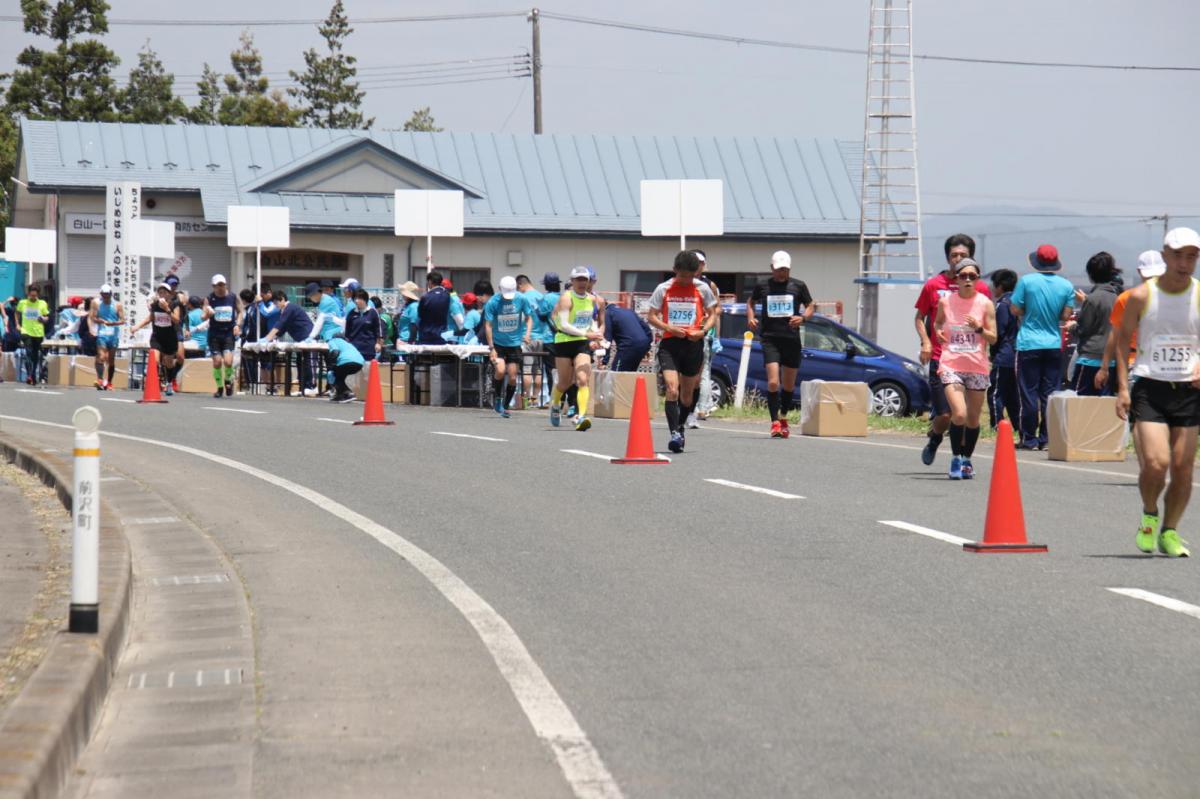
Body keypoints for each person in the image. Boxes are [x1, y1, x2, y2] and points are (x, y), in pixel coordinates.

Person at [1114, 227, 1200, 559]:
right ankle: (1150, 514)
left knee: (1182, 468)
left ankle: (1170, 530)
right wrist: (1123, 388)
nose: (1184, 263)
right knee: (1156, 462)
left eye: (1191, 256)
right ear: (1165, 255)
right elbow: (1122, 339)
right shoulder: (1141, 296)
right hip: (1150, 387)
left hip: (1189, 391)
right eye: (1178, 255)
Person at [915, 235, 993, 463]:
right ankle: (935, 437)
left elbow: (988, 323)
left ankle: (961, 460)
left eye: (963, 255)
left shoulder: (981, 289)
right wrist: (926, 341)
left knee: (966, 416)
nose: (957, 258)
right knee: (946, 414)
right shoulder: (934, 285)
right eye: (954, 255)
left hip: (972, 361)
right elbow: (920, 317)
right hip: (942, 358)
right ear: (947, 257)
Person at [647, 250, 719, 452]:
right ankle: (674, 434)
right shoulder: (664, 288)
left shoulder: (702, 288)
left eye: (691, 276)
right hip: (670, 344)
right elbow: (651, 316)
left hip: (693, 344)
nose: (686, 280)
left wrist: (702, 331)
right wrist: (668, 328)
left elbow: (713, 314)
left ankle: (680, 427)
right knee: (672, 389)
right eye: (683, 276)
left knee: (687, 395)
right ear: (674, 270)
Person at [934, 258, 997, 479]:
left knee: (972, 419)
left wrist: (978, 328)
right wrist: (938, 332)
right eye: (963, 276)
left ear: (978, 279)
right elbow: (937, 322)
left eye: (973, 276)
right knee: (959, 414)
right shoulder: (946, 302)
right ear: (957, 279)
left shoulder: (985, 304)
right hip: (951, 364)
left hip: (977, 366)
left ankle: (967, 459)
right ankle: (955, 458)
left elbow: (993, 337)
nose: (968, 280)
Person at [1011, 243, 1076, 449]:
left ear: (1036, 262)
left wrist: (1029, 311)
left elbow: (1015, 309)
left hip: (1029, 343)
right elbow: (1065, 315)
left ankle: (1029, 438)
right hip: (1053, 344)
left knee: (1028, 392)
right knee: (1050, 393)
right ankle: (1046, 438)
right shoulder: (1066, 286)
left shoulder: (1026, 281)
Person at [746, 250, 814, 438]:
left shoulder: (798, 286)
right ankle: (774, 422)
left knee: (789, 385)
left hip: (791, 339)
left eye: (785, 269)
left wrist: (803, 318)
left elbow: (810, 305)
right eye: (778, 269)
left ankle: (784, 417)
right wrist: (751, 317)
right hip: (770, 339)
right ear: (772, 268)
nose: (782, 273)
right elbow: (750, 302)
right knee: (773, 382)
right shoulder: (763, 286)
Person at [551, 266, 604, 431]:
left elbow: (590, 320)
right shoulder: (566, 298)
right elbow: (564, 324)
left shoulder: (592, 299)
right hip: (564, 341)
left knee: (582, 379)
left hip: (581, 343)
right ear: (572, 281)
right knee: (565, 382)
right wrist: (587, 334)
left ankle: (581, 417)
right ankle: (555, 405)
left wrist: (597, 334)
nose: (582, 283)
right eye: (578, 279)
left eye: (584, 279)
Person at [1070, 252, 1121, 396]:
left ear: (1091, 274)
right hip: (1110, 361)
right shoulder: (1117, 298)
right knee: (1104, 405)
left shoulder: (1092, 299)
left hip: (1089, 359)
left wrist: (1072, 327)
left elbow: (1083, 329)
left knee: (1079, 402)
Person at [484, 276, 535, 418]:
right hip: (498, 343)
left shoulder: (521, 299)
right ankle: (497, 398)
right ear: (500, 289)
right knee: (500, 371)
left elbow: (529, 318)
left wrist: (527, 333)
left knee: (512, 377)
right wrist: (491, 348)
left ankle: (506, 406)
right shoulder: (493, 302)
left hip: (514, 344)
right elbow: (488, 325)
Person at [689, 249, 723, 426]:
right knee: (689, 372)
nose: (697, 266)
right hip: (685, 331)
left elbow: (717, 309)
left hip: (704, 333)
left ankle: (701, 408)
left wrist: (715, 335)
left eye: (700, 263)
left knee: (703, 372)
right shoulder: (682, 281)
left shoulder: (709, 285)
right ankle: (694, 405)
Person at [132, 282, 183, 395]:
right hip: (157, 337)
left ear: (169, 294)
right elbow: (149, 319)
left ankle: (169, 382)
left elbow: (176, 320)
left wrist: (167, 309)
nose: (162, 294)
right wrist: (137, 327)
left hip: (170, 337)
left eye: (164, 292)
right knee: (155, 360)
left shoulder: (175, 304)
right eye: (160, 292)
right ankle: (155, 384)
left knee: (169, 363)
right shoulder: (155, 305)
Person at [263, 291, 317, 395]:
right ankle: (303, 387)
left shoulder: (290, 308)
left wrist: (267, 338)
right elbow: (282, 329)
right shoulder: (284, 311)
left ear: (282, 299)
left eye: (276, 303)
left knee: (308, 362)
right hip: (300, 341)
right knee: (300, 362)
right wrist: (272, 338)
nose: (276, 305)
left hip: (308, 338)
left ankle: (312, 386)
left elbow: (280, 324)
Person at [987, 269, 1020, 429]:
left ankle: (997, 424)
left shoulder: (1002, 305)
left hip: (1004, 355)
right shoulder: (1018, 302)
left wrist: (993, 354)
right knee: (1013, 394)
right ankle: (1018, 425)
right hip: (1017, 355)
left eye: (994, 285)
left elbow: (997, 333)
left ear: (1000, 286)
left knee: (995, 393)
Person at [203, 274, 243, 398]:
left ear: (226, 285)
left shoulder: (233, 297)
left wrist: (237, 325)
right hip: (214, 333)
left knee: (228, 361)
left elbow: (240, 311)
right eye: (217, 285)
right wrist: (208, 314)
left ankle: (228, 381)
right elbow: (203, 317)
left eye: (222, 285)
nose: (220, 288)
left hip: (228, 333)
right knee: (217, 362)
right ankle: (219, 387)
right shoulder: (209, 298)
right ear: (213, 286)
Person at [88, 285, 124, 390]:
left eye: (107, 295)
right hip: (102, 334)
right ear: (101, 294)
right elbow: (93, 317)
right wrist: (101, 321)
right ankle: (100, 379)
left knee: (111, 359)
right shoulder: (97, 303)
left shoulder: (117, 305)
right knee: (101, 356)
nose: (106, 297)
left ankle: (109, 382)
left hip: (113, 335)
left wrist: (113, 323)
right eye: (104, 295)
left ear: (111, 294)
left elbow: (123, 320)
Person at [16, 285, 51, 385]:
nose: (33, 297)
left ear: (38, 294)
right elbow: (17, 313)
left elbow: (47, 317)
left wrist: (43, 319)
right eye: (31, 295)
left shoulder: (42, 303)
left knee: (35, 355)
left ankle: (33, 374)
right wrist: (18, 324)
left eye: (35, 296)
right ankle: (29, 375)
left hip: (38, 332)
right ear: (28, 294)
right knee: (28, 352)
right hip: (26, 331)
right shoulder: (22, 303)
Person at [416, 270, 463, 345]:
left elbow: (419, 317)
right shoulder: (448, 297)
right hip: (443, 336)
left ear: (430, 282)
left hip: (426, 336)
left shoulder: (425, 297)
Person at [604, 302, 653, 371]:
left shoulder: (608, 313)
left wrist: (604, 361)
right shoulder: (629, 311)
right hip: (642, 345)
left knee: (616, 373)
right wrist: (646, 347)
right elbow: (647, 330)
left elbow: (607, 338)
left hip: (627, 345)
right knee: (630, 373)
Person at [345, 289, 383, 362]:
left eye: (359, 298)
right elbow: (347, 332)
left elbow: (378, 330)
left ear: (365, 299)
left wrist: (378, 344)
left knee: (367, 368)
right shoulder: (351, 313)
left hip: (369, 348)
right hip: (354, 349)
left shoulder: (373, 312)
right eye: (355, 298)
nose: (356, 301)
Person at [325, 333, 364, 403]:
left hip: (346, 361)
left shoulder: (333, 341)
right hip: (359, 363)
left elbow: (335, 351)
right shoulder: (348, 344)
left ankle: (349, 393)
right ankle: (340, 395)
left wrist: (331, 365)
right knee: (341, 377)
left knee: (336, 376)